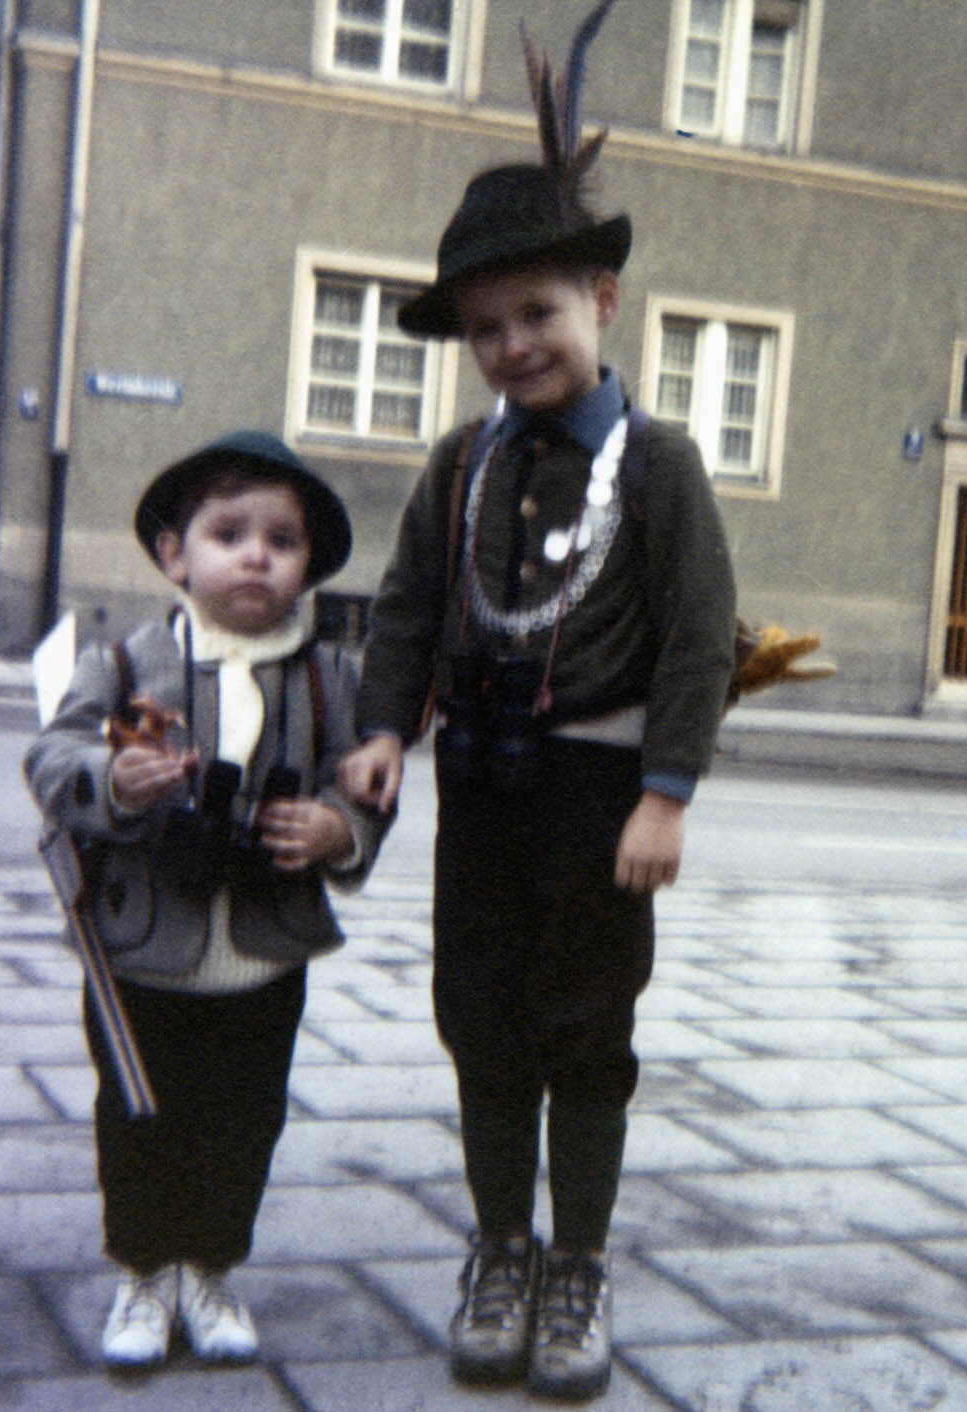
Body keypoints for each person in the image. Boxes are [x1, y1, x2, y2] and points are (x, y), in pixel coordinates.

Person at [338, 5, 737, 1399]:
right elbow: (405, 611)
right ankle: (497, 1247)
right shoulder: (462, 468)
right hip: (483, 796)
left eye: (540, 314)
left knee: (587, 1029)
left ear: (604, 305)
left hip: (600, 803)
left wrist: (666, 795)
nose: (514, 346)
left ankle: (577, 1262)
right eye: (486, 328)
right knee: (482, 1020)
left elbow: (701, 640)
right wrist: (386, 729)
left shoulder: (665, 463)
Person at [25, 430, 388, 1369]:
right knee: (139, 1112)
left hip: (264, 952)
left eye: (283, 539)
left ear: (310, 565)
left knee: (245, 1117)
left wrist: (339, 831)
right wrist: (117, 779)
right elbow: (51, 758)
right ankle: (143, 1271)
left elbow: (366, 786)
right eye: (230, 533)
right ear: (174, 554)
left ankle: (211, 1267)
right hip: (143, 949)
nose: (258, 554)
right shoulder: (126, 662)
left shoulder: (327, 676)